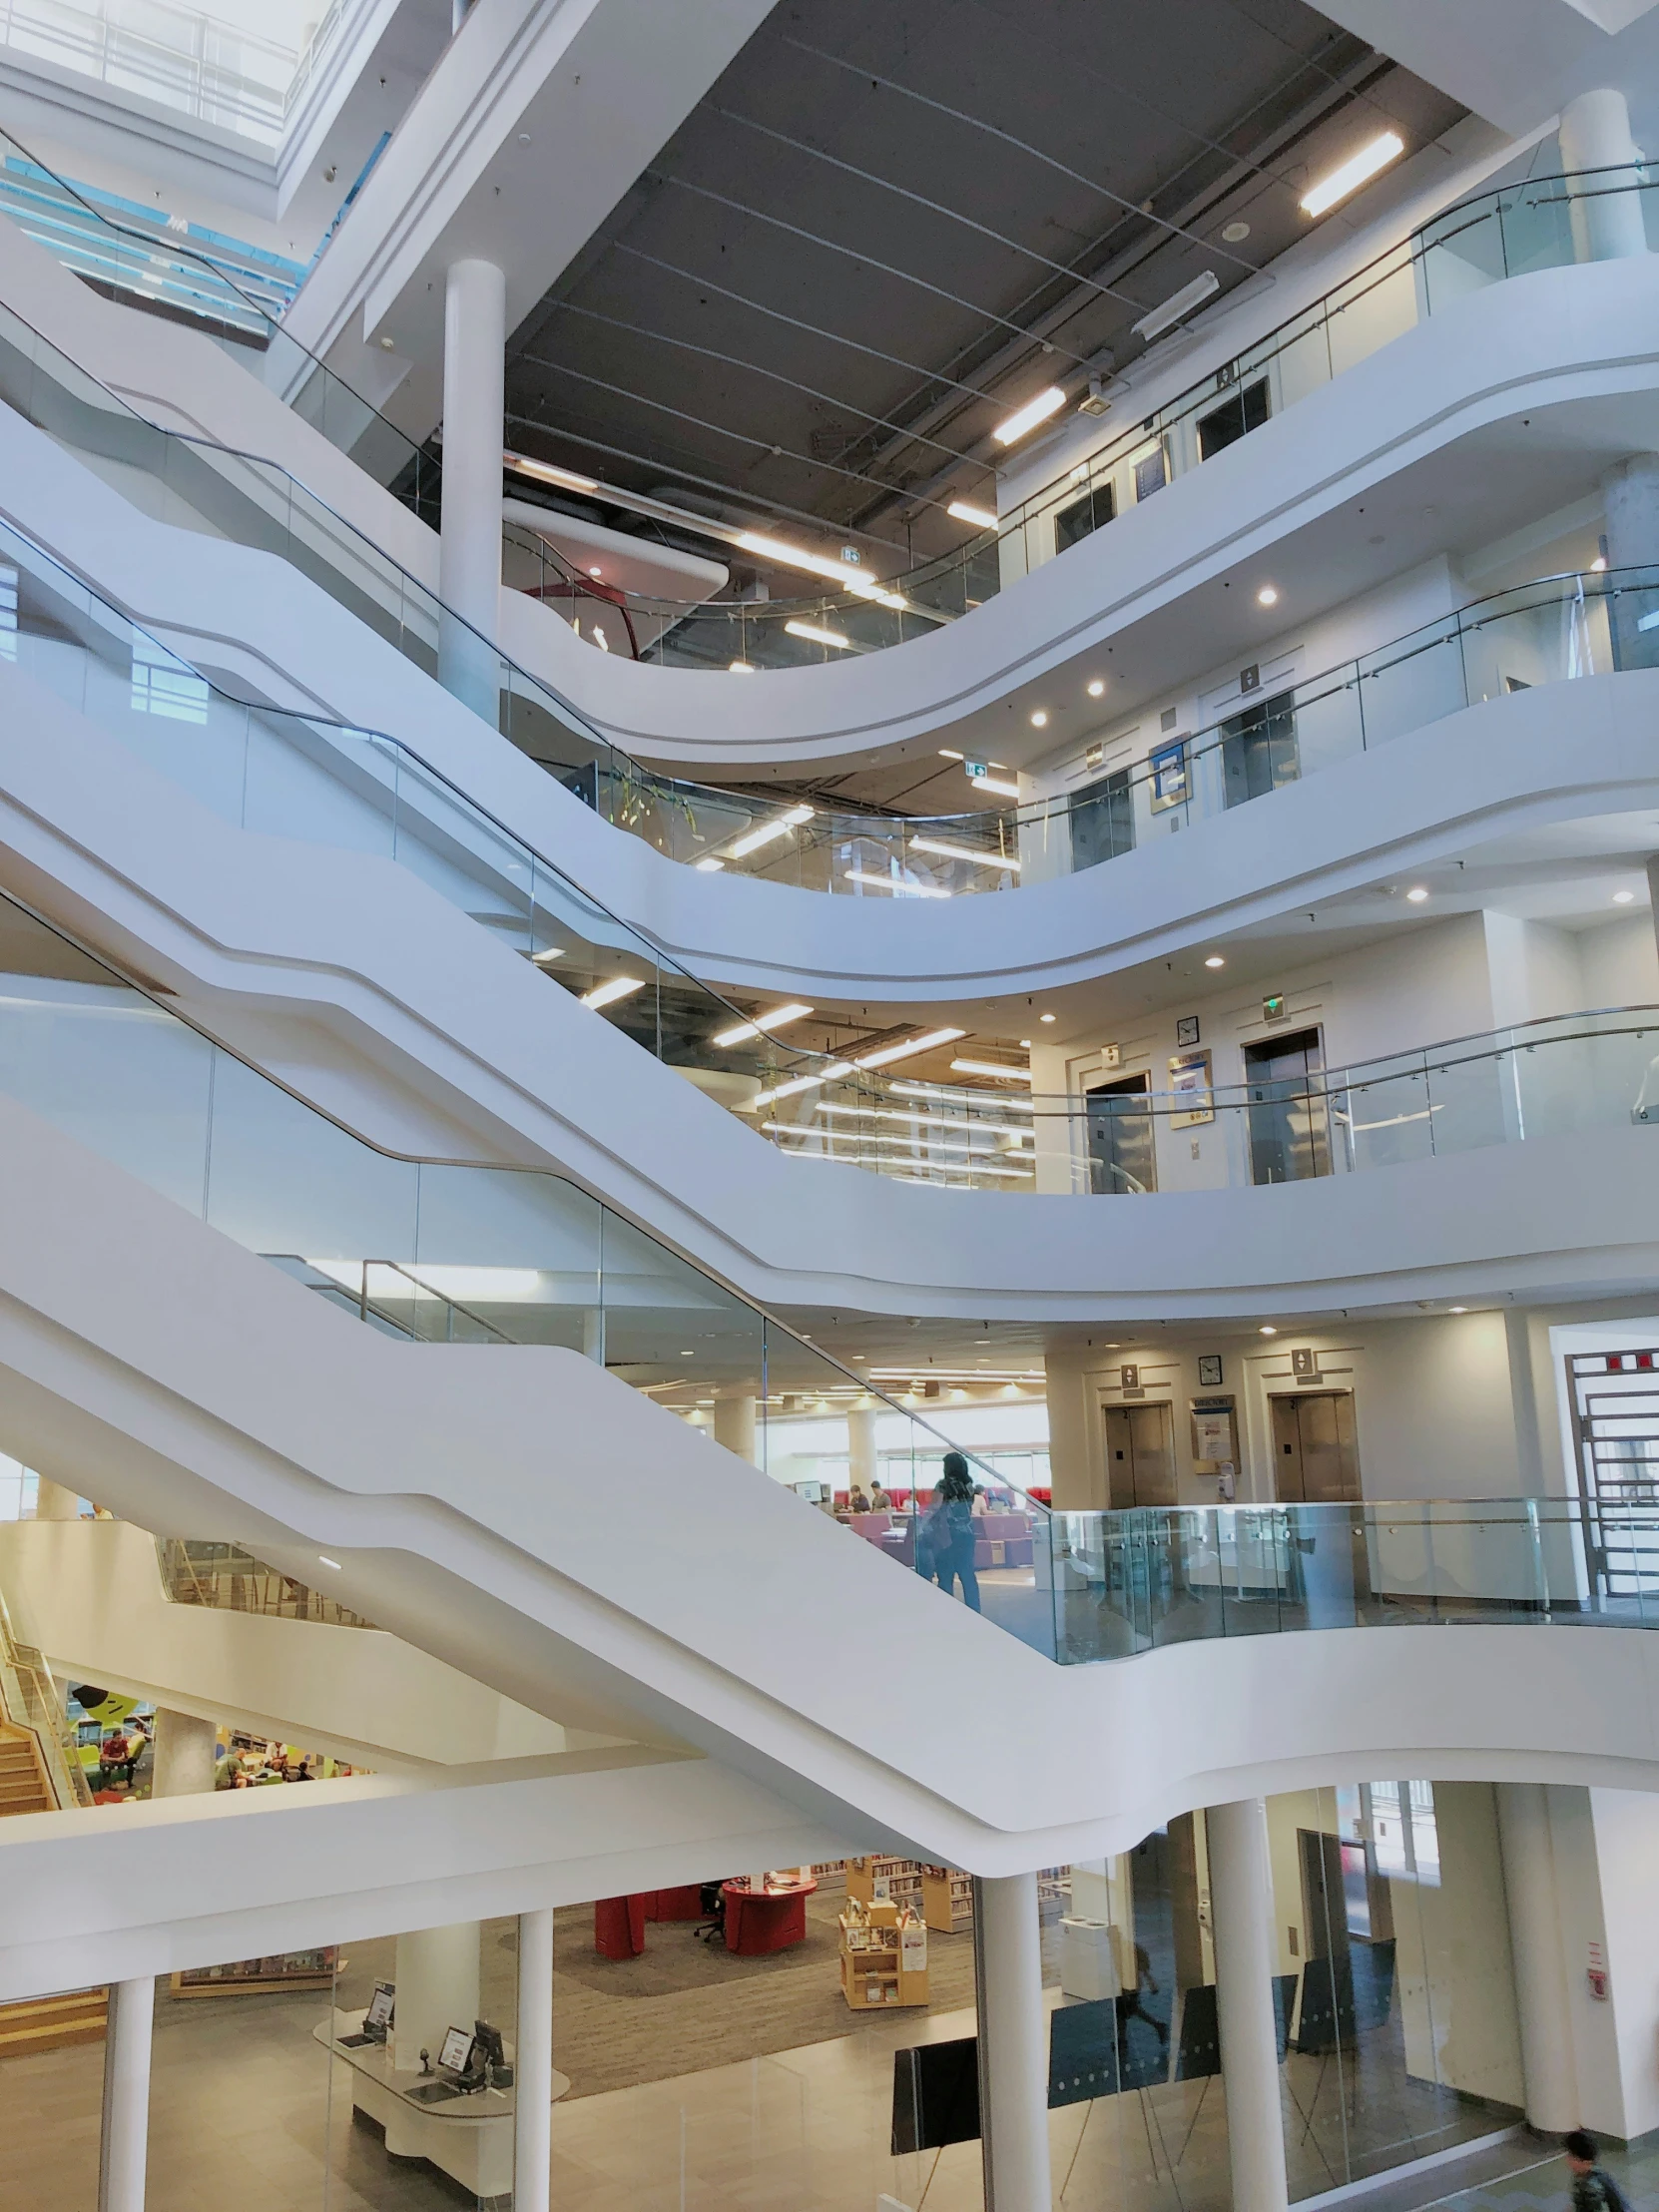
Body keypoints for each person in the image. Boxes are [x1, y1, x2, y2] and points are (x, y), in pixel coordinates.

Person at [933, 1453, 982, 1612]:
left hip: (947, 1534)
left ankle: (947, 1612)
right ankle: (974, 1609)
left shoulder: (943, 1485)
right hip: (967, 1533)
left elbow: (935, 1507)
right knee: (967, 1574)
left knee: (946, 1575)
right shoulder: (969, 1485)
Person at [1565, 2131, 1629, 2212]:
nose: (1567, 2159)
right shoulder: (1584, 2172)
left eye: (1572, 2157)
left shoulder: (1592, 2187)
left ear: (1585, 2162)